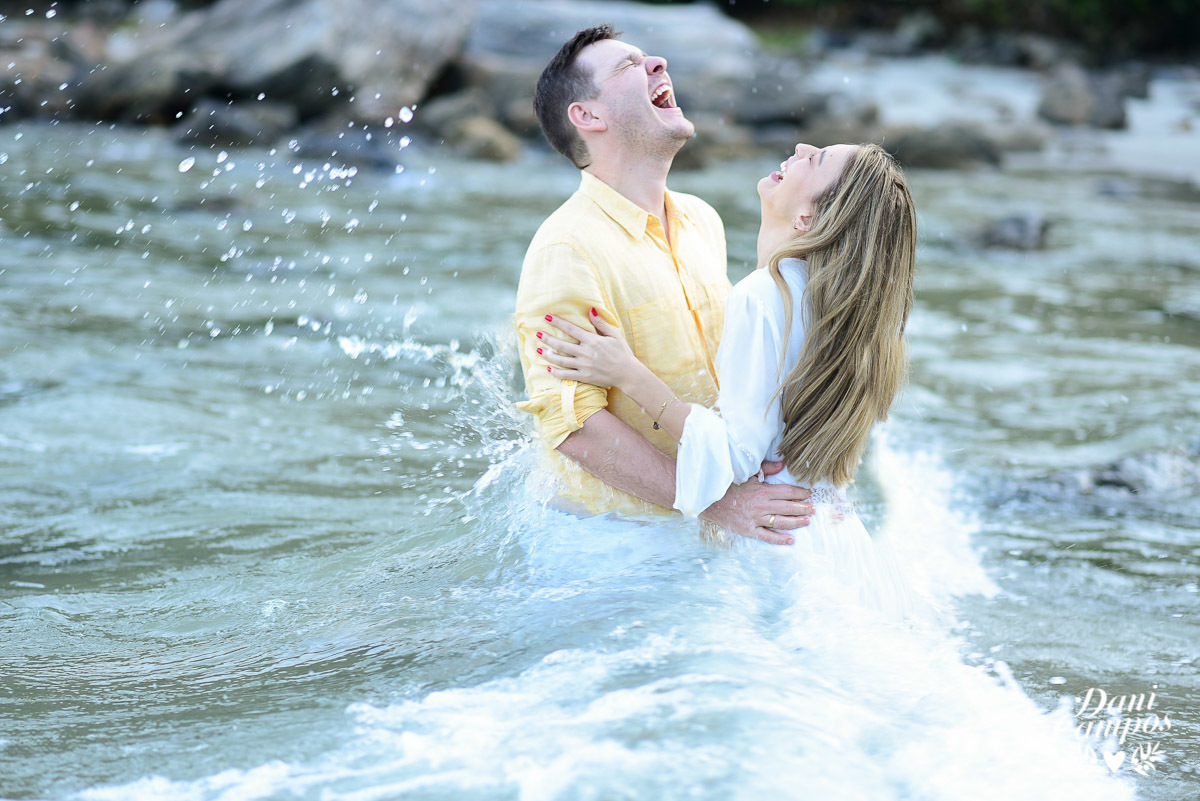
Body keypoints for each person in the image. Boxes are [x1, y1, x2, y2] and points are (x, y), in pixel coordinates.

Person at [536, 141, 920, 619]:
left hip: (781, 539)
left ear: (808, 218)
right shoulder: (845, 315)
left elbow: (739, 457)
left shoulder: (764, 296)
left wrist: (628, 374)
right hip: (836, 535)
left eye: (816, 159)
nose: (801, 147)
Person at [513, 25, 814, 544]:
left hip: (716, 530)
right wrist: (719, 504)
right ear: (587, 116)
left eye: (648, 56)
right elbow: (574, 428)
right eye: (628, 65)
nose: (657, 62)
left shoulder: (702, 219)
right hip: (615, 546)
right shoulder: (565, 249)